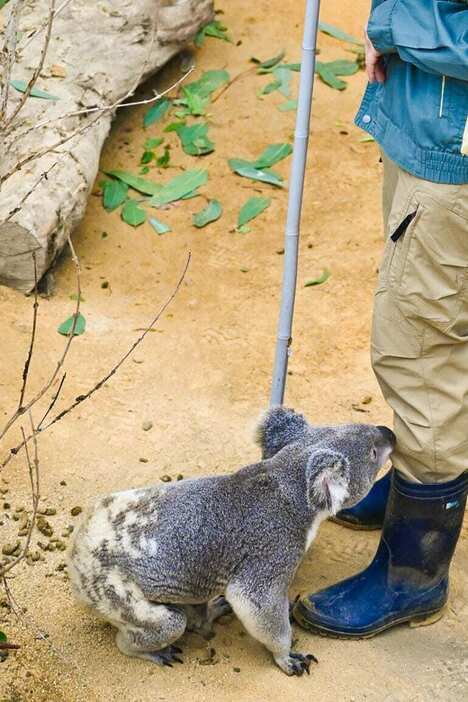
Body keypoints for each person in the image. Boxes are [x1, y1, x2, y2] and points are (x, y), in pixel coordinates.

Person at [293, 0, 468, 637]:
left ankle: (412, 573)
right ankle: (411, 499)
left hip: (457, 155)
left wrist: (393, 24)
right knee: (434, 319)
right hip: (434, 126)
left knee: (422, 351)